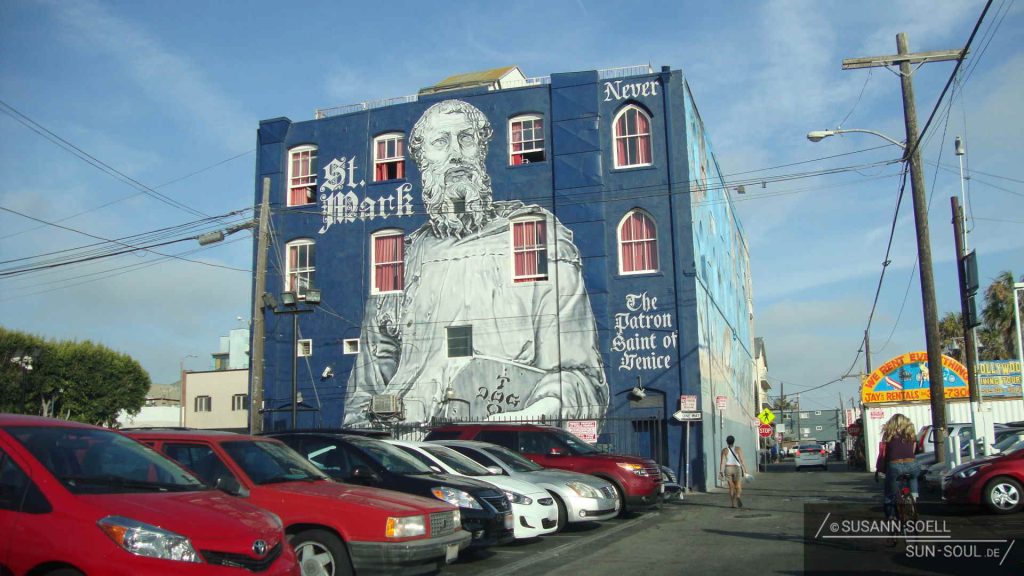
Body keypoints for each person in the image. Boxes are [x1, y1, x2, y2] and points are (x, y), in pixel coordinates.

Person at [344, 99, 609, 425]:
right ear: (422, 160)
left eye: (466, 139)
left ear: (481, 151)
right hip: (411, 449)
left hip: (502, 446)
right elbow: (368, 386)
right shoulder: (402, 260)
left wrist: (521, 419)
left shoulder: (535, 237)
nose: (455, 153)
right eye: (441, 142)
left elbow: (579, 377)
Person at [874, 413, 921, 518]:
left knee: (889, 493)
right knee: (913, 477)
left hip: (894, 465)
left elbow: (884, 453)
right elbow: (913, 451)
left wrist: (881, 468)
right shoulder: (911, 433)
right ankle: (912, 497)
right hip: (911, 463)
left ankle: (890, 517)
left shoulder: (888, 434)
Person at [719, 435, 749, 508]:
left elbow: (722, 462)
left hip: (728, 468)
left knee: (731, 487)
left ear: (727, 442)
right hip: (737, 468)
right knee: (738, 486)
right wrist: (746, 469)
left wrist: (721, 471)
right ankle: (738, 496)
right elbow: (742, 460)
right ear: (734, 441)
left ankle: (733, 504)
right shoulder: (738, 449)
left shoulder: (724, 450)